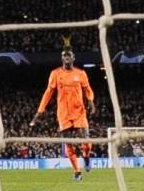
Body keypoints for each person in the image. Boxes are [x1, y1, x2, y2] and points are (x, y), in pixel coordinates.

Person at [31, 47, 96, 181]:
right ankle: (77, 172)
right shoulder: (55, 74)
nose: (66, 57)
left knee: (85, 140)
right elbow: (48, 93)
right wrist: (40, 111)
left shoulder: (81, 73)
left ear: (73, 58)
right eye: (64, 55)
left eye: (69, 55)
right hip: (63, 114)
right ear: (62, 59)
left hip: (79, 112)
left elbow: (88, 89)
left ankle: (86, 156)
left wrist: (90, 101)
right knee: (68, 143)